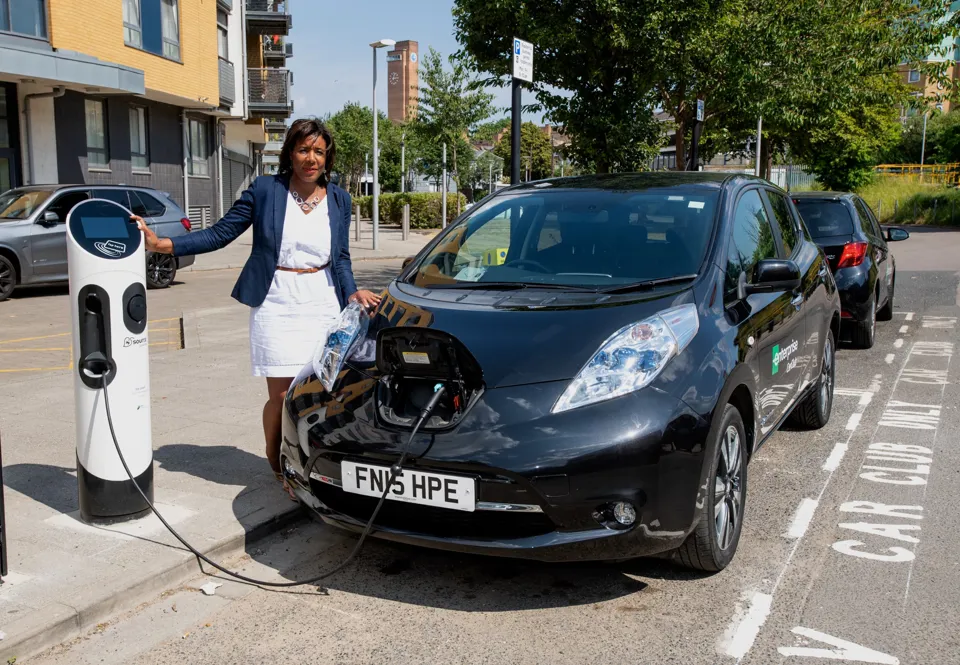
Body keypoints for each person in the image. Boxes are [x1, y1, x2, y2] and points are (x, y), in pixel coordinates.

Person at [134, 118, 381, 499]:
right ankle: (278, 461)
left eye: (318, 151)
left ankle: (316, 463)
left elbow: (342, 258)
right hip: (277, 299)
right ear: (290, 153)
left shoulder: (338, 198)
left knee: (321, 392)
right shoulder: (266, 190)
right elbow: (220, 232)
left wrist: (353, 293)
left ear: (327, 156)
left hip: (321, 300)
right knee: (282, 396)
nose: (311, 158)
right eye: (303, 149)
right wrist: (163, 245)